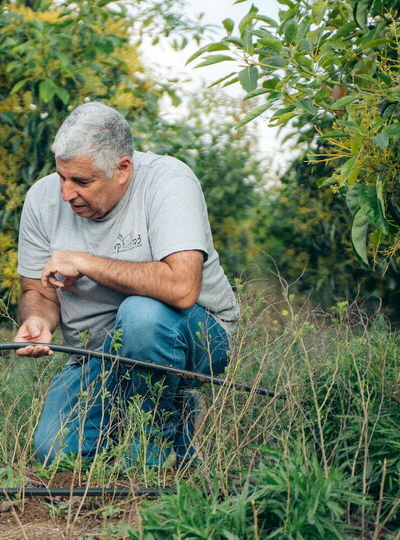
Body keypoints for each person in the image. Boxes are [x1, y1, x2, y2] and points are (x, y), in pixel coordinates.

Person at [13, 101, 238, 466]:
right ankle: (126, 414)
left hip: (195, 336)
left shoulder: (169, 182)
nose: (66, 193)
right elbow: (37, 290)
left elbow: (182, 288)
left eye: (82, 182)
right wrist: (38, 319)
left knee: (141, 314)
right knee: (54, 452)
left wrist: (85, 262)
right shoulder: (41, 199)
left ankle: (157, 442)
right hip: (99, 353)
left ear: (122, 169)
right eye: (62, 177)